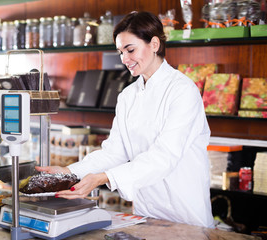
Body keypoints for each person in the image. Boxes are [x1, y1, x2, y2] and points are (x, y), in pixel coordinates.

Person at [36, 11, 214, 228]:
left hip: (185, 212)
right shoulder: (128, 96)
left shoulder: (183, 91)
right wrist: (69, 172)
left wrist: (104, 178)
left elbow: (163, 157)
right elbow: (114, 152)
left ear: (155, 44)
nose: (124, 59)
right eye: (120, 52)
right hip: (146, 211)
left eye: (130, 50)